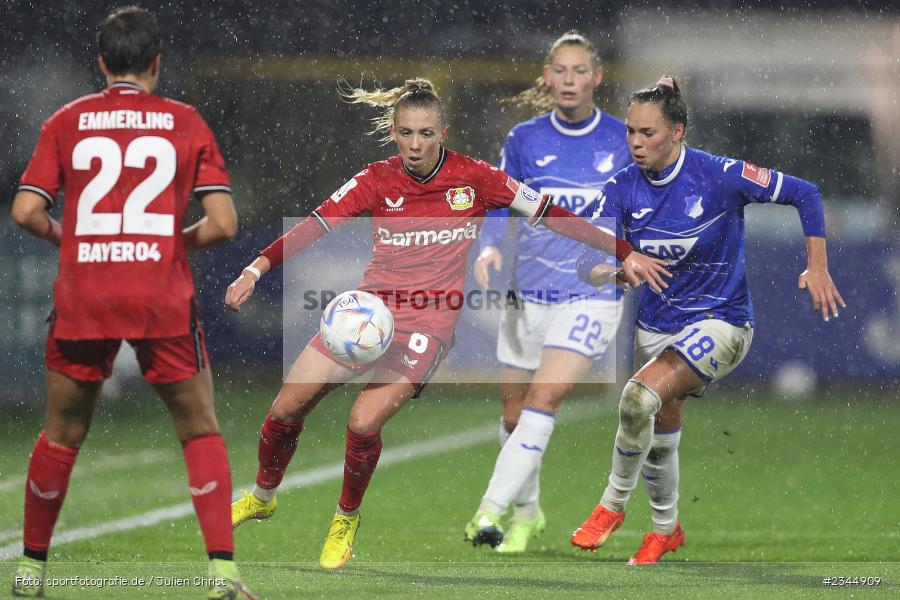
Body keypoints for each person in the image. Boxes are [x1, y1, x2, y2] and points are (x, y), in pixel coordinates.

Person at [224, 77, 669, 570]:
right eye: (407, 133)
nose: (416, 144)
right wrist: (255, 268)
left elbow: (552, 214)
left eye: (427, 133)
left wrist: (622, 250)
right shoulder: (376, 178)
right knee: (287, 406)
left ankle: (344, 519)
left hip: (428, 324)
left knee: (362, 421)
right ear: (393, 133)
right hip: (368, 312)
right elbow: (314, 224)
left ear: (444, 132)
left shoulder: (476, 178)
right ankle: (263, 496)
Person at [9, 7, 256, 599]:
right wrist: (169, 244)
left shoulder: (68, 120)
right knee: (199, 428)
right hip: (158, 294)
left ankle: (30, 570)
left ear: (100, 62)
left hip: (86, 292)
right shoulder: (183, 121)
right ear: (156, 63)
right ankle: (223, 575)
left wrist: (74, 240)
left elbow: (24, 210)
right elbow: (223, 223)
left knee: (61, 434)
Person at [569, 76, 846, 564]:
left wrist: (817, 265)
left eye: (648, 133)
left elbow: (806, 193)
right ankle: (665, 530)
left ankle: (611, 505)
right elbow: (583, 266)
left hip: (723, 322)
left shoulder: (719, 175)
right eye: (630, 131)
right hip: (656, 328)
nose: (635, 142)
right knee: (659, 435)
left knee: (636, 399)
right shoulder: (620, 189)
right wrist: (619, 264)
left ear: (677, 132)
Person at [463, 31, 632, 553]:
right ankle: (528, 515)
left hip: (592, 292)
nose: (568, 80)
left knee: (545, 397)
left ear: (597, 78)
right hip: (528, 293)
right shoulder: (525, 139)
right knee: (514, 415)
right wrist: (490, 246)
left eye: (579, 71)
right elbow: (498, 199)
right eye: (559, 70)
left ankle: (488, 509)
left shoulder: (624, 139)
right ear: (546, 76)